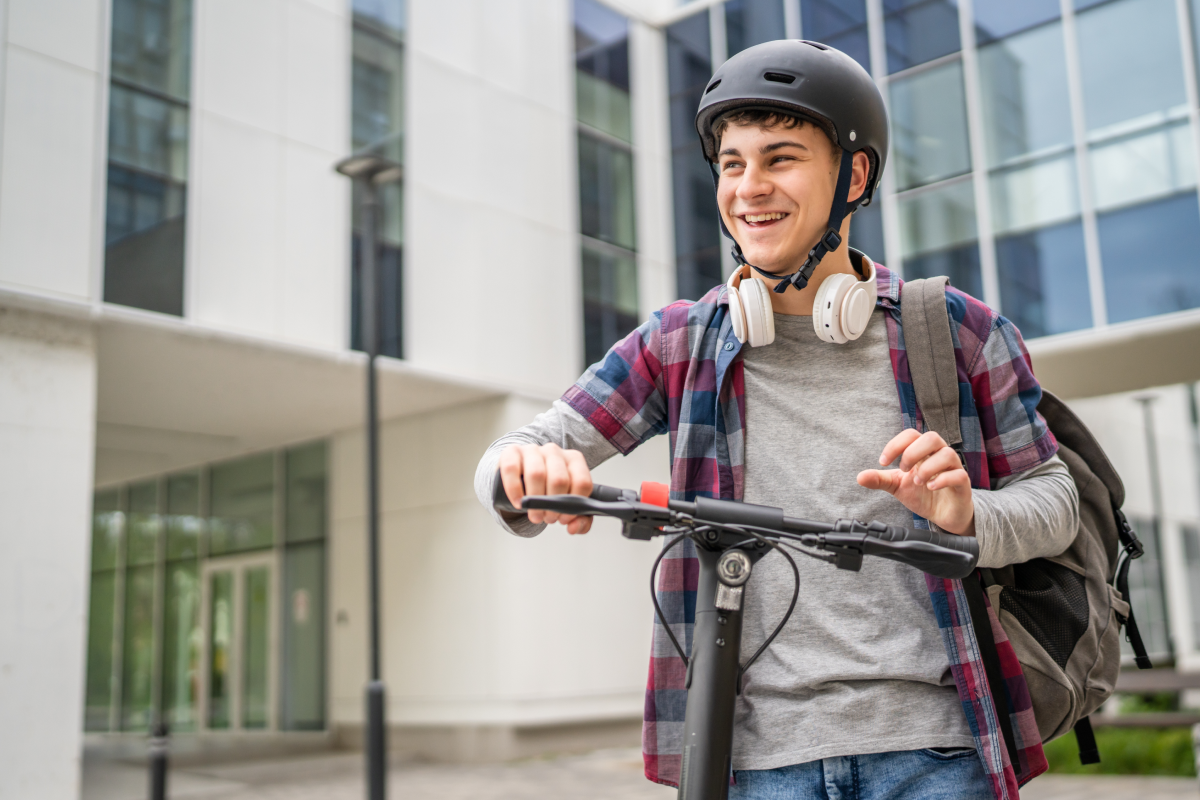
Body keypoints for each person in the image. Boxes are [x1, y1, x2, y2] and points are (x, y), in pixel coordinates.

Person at [475, 40, 1076, 800]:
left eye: (780, 158)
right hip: (754, 765)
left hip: (936, 754)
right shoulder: (681, 342)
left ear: (854, 176)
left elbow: (1055, 503)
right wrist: (523, 474)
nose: (748, 189)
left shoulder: (954, 331)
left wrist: (967, 516)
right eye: (732, 164)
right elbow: (513, 454)